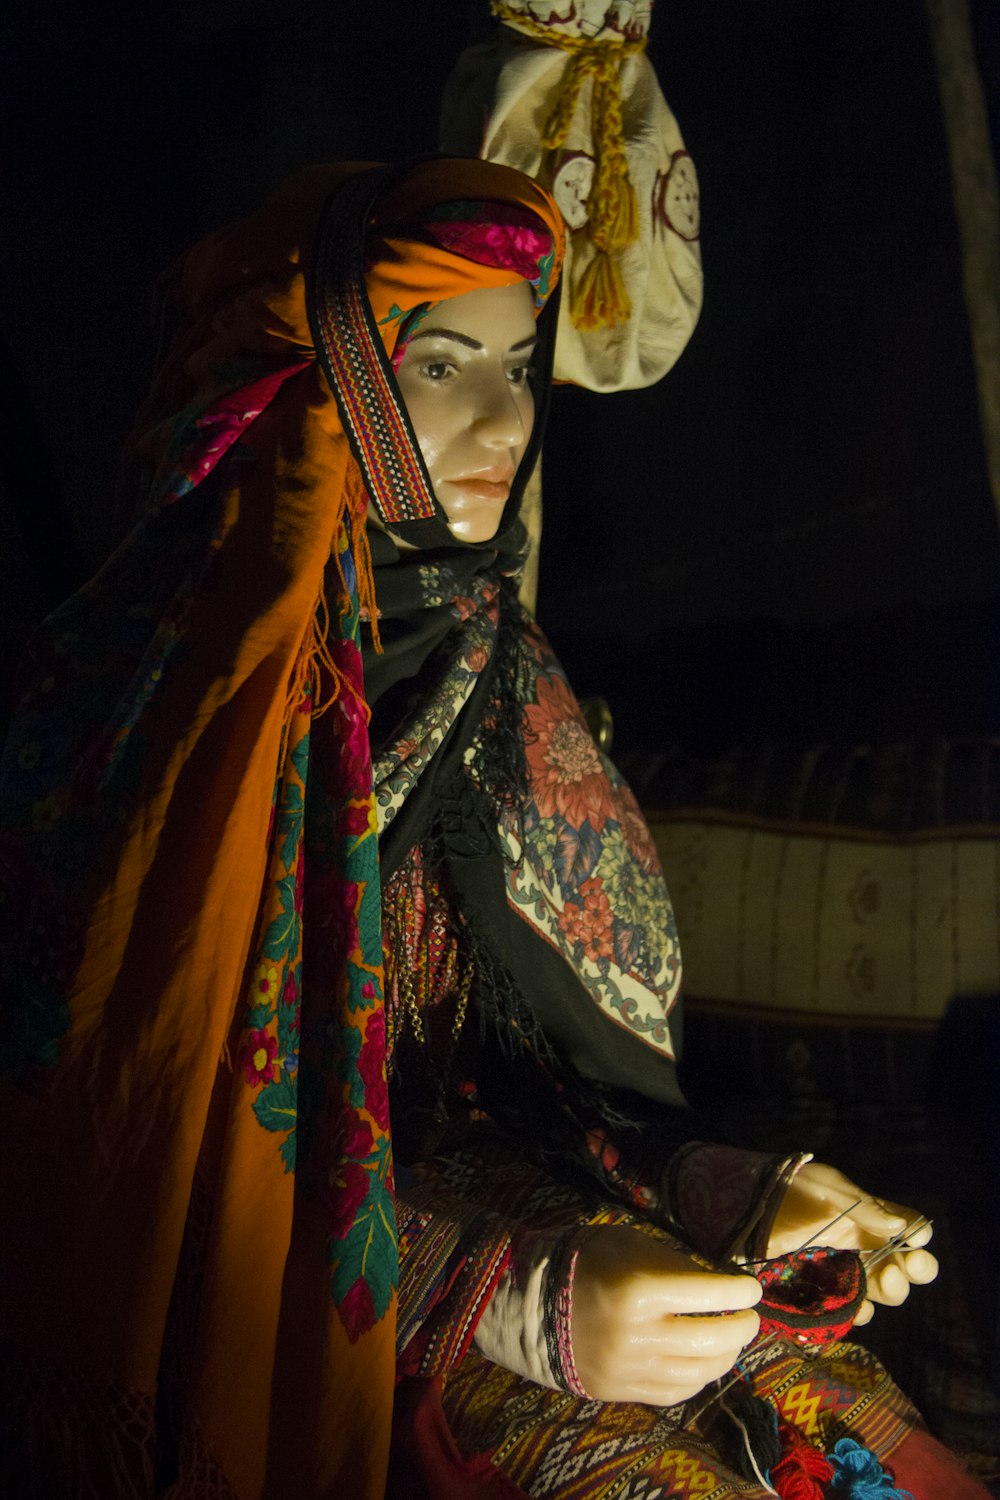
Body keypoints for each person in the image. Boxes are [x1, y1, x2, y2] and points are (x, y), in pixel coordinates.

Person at [0, 157, 985, 1500]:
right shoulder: (139, 712)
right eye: (442, 366)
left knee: (835, 1428)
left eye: (519, 369)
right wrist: (505, 1301)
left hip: (546, 1240)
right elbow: (106, 1176)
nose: (500, 421)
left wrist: (734, 1193)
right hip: (303, 1336)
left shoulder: (490, 668)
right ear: (310, 378)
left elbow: (534, 1086)